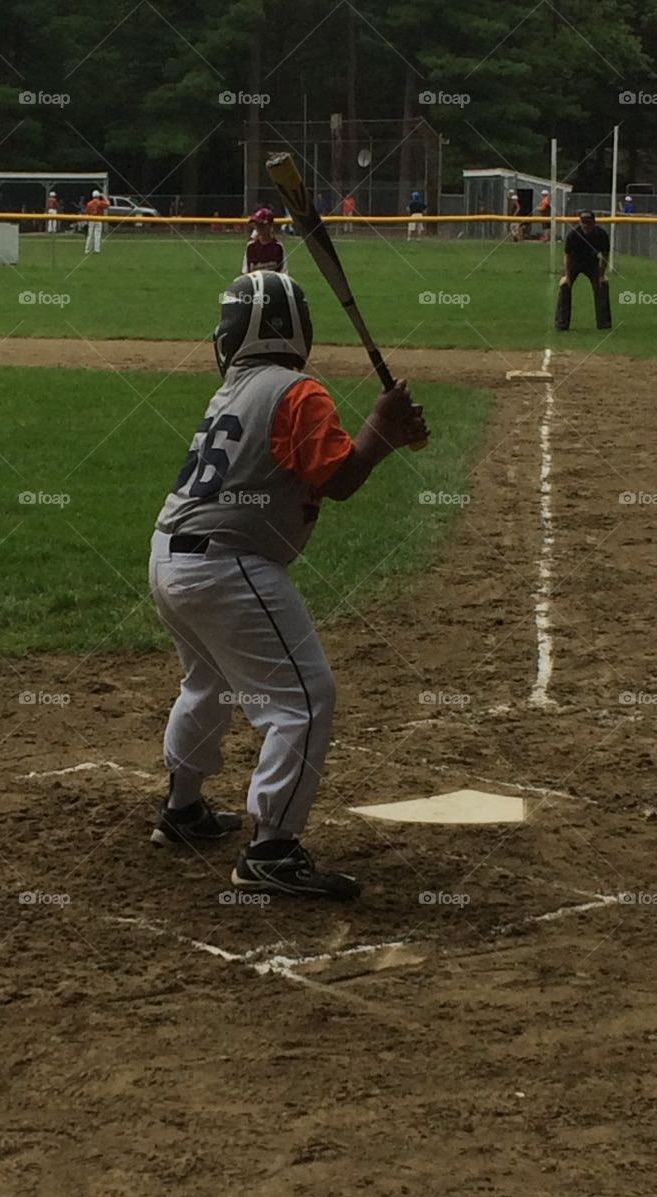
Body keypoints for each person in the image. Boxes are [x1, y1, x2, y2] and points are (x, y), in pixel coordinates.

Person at [148, 271, 428, 899]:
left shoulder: (239, 388)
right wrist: (383, 428)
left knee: (209, 684)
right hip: (226, 564)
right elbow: (339, 479)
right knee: (305, 699)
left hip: (170, 557)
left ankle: (183, 807)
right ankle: (271, 849)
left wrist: (386, 432)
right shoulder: (297, 389)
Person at [555, 210, 611, 331]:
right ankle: (561, 324)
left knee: (602, 285)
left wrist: (601, 274)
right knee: (564, 285)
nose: (586, 225)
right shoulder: (573, 235)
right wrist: (567, 276)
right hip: (574, 262)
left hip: (592, 263)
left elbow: (605, 255)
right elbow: (567, 256)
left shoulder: (601, 234)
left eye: (588, 222)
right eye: (583, 222)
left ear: (594, 223)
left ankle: (604, 324)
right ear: (579, 222)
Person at [241, 207, 284, 273]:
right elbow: (245, 272)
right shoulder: (251, 246)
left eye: (261, 225)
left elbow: (284, 273)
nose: (258, 227)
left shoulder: (278, 247)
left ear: (270, 225)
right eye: (256, 224)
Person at [84, 188, 109, 254]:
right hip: (98, 219)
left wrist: (87, 220)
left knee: (90, 235)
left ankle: (87, 249)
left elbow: (87, 212)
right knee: (97, 235)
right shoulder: (100, 202)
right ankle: (97, 249)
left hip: (91, 219)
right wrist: (104, 197)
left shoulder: (89, 203)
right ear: (98, 196)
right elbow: (108, 204)